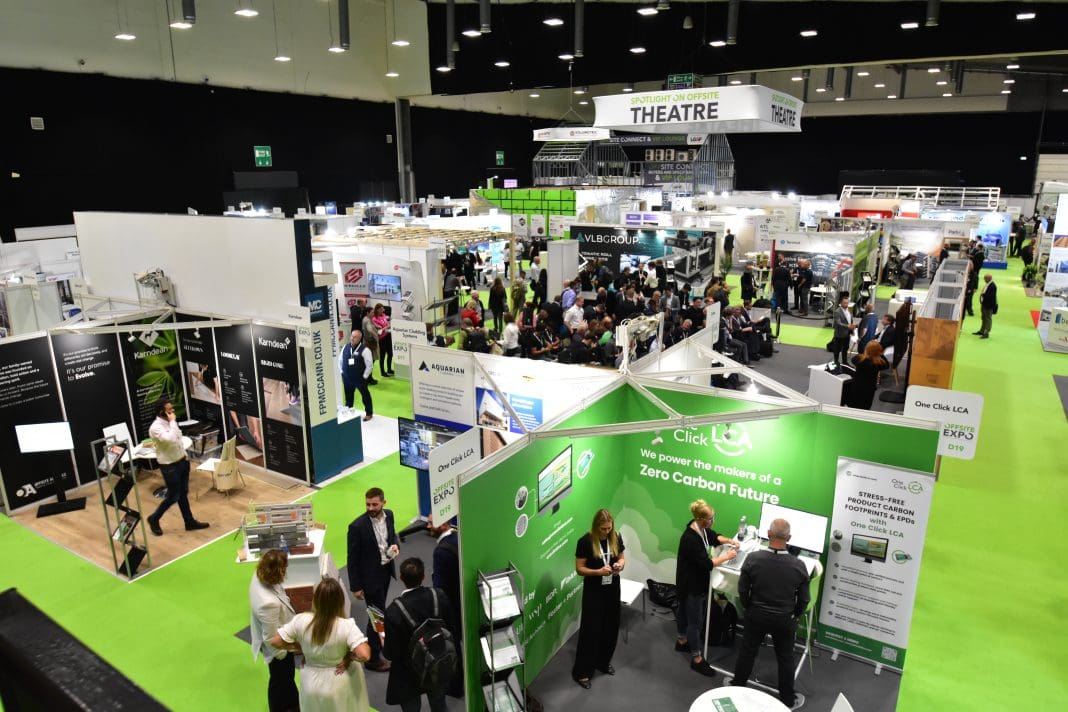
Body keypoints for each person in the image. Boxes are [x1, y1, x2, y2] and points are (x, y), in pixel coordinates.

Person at [729, 518, 810, 711]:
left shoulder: (752, 559)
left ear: (768, 534)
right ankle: (788, 699)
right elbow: (804, 599)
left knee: (748, 651)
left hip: (756, 615)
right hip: (784, 619)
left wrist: (749, 608)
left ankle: (737, 687)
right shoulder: (799, 565)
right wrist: (795, 615)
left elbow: (742, 590)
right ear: (789, 538)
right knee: (786, 658)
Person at [270, 577, 372, 712]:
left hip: (310, 682)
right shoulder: (346, 626)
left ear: (316, 599)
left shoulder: (301, 620)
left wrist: (299, 648)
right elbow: (365, 655)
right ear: (339, 600)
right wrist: (350, 657)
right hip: (338, 682)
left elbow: (275, 641)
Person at [384, 558, 458, 712]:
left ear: (401, 578)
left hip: (408, 676)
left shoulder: (393, 612)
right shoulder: (439, 596)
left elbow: (390, 654)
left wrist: (383, 638)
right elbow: (453, 629)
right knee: (439, 704)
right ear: (423, 576)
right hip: (438, 662)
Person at [674, 499, 739, 677]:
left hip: (686, 582)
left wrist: (730, 541)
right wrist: (728, 556)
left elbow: (714, 537)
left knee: (683, 613)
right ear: (700, 519)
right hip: (692, 586)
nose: (712, 521)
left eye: (713, 517)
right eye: (710, 519)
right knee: (695, 623)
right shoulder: (690, 539)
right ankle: (697, 659)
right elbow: (707, 564)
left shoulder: (699, 528)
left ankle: (681, 641)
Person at [571, 509, 625, 689]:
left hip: (612, 588)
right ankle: (582, 672)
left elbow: (622, 558)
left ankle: (603, 662)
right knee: (591, 630)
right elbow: (579, 568)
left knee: (611, 626)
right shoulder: (585, 541)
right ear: (596, 526)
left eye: (609, 528)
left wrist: (619, 565)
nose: (606, 532)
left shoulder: (615, 536)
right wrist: (597, 572)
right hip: (594, 590)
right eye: (603, 529)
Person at [347, 487, 399, 672]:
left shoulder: (389, 515)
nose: (370, 508)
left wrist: (395, 545)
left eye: (374, 504)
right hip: (369, 579)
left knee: (378, 613)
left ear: (384, 503)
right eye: (368, 504)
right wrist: (355, 586)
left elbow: (392, 535)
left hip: (385, 571)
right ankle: (373, 658)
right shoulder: (357, 527)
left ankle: (378, 649)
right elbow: (352, 559)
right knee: (376, 616)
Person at [145, 399, 208, 536]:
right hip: (169, 466)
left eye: (172, 409)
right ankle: (154, 518)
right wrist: (173, 422)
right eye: (169, 410)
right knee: (173, 496)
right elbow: (170, 439)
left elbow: (178, 440)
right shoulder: (156, 428)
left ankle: (189, 522)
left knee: (183, 493)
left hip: (182, 461)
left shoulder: (170, 423)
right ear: (161, 412)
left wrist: (185, 456)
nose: (173, 411)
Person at [250, 549, 298, 712]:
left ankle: (292, 704)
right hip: (278, 648)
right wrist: (285, 653)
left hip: (278, 638)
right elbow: (271, 639)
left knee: (285, 679)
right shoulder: (268, 603)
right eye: (283, 569)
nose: (285, 572)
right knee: (280, 679)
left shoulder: (258, 575)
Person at [339, 330, 374, 421]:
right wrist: (342, 372)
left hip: (359, 379)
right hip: (347, 378)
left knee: (365, 396)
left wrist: (364, 377)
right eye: (351, 336)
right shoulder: (345, 347)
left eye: (355, 337)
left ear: (359, 338)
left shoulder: (365, 350)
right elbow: (340, 360)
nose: (352, 338)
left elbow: (369, 365)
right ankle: (349, 412)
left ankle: (369, 413)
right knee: (348, 397)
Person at [847, 341, 887, 409]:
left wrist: (866, 353)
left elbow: (853, 359)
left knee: (853, 405)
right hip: (869, 388)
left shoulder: (858, 359)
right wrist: (880, 354)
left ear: (866, 349)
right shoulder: (879, 363)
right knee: (865, 406)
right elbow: (886, 365)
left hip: (857, 386)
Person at [371, 304, 394, 378]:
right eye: (381, 309)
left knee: (390, 353)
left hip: (388, 336)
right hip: (381, 339)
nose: (383, 310)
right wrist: (386, 327)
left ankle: (389, 369)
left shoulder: (384, 315)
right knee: (382, 355)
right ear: (377, 310)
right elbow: (378, 331)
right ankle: (382, 371)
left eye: (383, 309)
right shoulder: (374, 319)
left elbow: (387, 324)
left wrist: (387, 326)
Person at [831, 296, 854, 367]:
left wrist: (852, 328)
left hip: (847, 333)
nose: (846, 304)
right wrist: (848, 326)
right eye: (844, 303)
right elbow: (838, 323)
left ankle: (844, 362)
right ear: (841, 303)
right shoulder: (837, 312)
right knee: (837, 349)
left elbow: (850, 320)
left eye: (847, 303)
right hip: (839, 334)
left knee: (845, 348)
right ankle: (836, 362)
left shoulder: (849, 310)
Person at [361, 308, 382, 385]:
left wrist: (377, 326)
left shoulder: (368, 319)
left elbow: (373, 325)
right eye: (372, 312)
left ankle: (368, 378)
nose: (373, 313)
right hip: (370, 343)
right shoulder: (367, 321)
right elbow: (369, 330)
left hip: (368, 343)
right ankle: (367, 379)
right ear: (368, 313)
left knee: (369, 361)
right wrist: (375, 335)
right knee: (369, 362)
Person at [974, 273, 998, 339]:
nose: (984, 280)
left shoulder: (993, 286)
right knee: (984, 318)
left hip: (988, 305)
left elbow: (991, 296)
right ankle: (982, 331)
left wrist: (983, 295)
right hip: (984, 304)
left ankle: (986, 333)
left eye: (985, 279)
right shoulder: (988, 284)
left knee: (988, 319)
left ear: (989, 278)